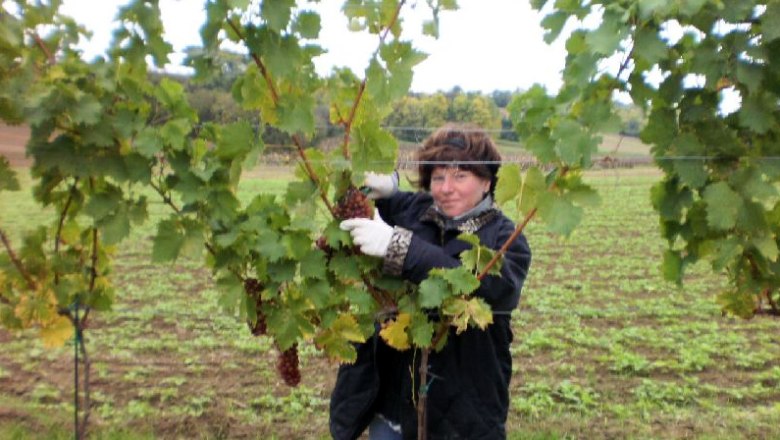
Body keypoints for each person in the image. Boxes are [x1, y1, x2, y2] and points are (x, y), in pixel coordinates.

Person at [330, 123, 532, 440]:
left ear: (486, 181)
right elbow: (387, 200)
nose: (446, 188)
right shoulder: (419, 209)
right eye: (438, 177)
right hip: (392, 408)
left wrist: (398, 247)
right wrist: (387, 185)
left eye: (460, 176)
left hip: (461, 416)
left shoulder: (506, 239)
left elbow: (493, 289)